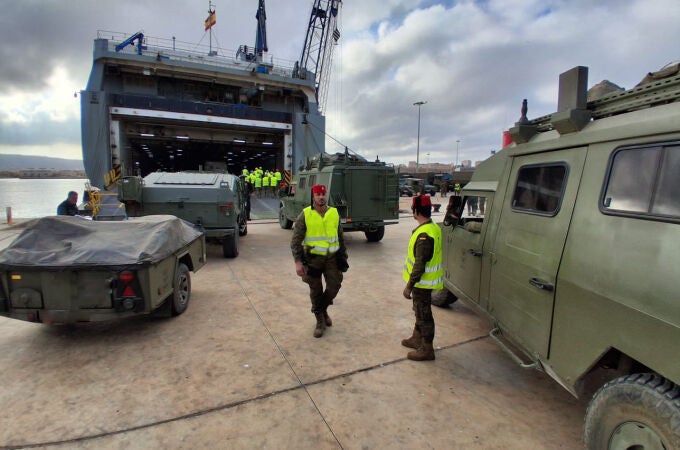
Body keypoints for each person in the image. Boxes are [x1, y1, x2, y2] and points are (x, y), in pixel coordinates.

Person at [291, 184, 349, 338]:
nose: (321, 197)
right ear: (313, 196)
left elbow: (340, 237)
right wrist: (298, 262)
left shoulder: (334, 213)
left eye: (323, 194)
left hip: (332, 258)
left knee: (334, 286)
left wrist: (344, 256)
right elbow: (296, 241)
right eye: (318, 194)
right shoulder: (305, 214)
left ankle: (321, 309)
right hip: (313, 259)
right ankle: (320, 320)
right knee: (315, 289)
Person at [401, 194, 443, 361]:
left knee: (424, 314)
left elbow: (420, 264)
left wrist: (409, 285)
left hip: (422, 283)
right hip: (423, 282)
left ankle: (427, 348)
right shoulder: (432, 227)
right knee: (419, 310)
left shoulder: (424, 235)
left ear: (416, 211)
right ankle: (416, 338)